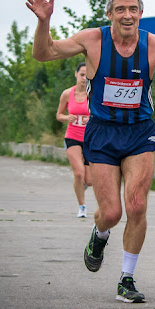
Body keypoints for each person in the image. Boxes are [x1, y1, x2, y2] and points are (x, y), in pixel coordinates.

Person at [26, 0, 155, 303]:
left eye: (133, 9)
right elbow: (43, 53)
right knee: (110, 213)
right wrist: (43, 22)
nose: (127, 15)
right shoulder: (92, 40)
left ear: (140, 14)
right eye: (120, 9)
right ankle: (100, 234)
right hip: (103, 133)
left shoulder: (153, 45)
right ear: (109, 14)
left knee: (136, 205)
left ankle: (126, 279)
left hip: (138, 132)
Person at [56, 62, 93, 218]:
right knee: (78, 173)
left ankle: (80, 187)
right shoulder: (67, 94)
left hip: (90, 138)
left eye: (87, 75)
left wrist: (91, 119)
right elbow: (58, 115)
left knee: (89, 180)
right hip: (72, 136)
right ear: (76, 74)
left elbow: (102, 113)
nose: (84, 78)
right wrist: (67, 117)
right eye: (82, 75)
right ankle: (82, 207)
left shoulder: (93, 94)